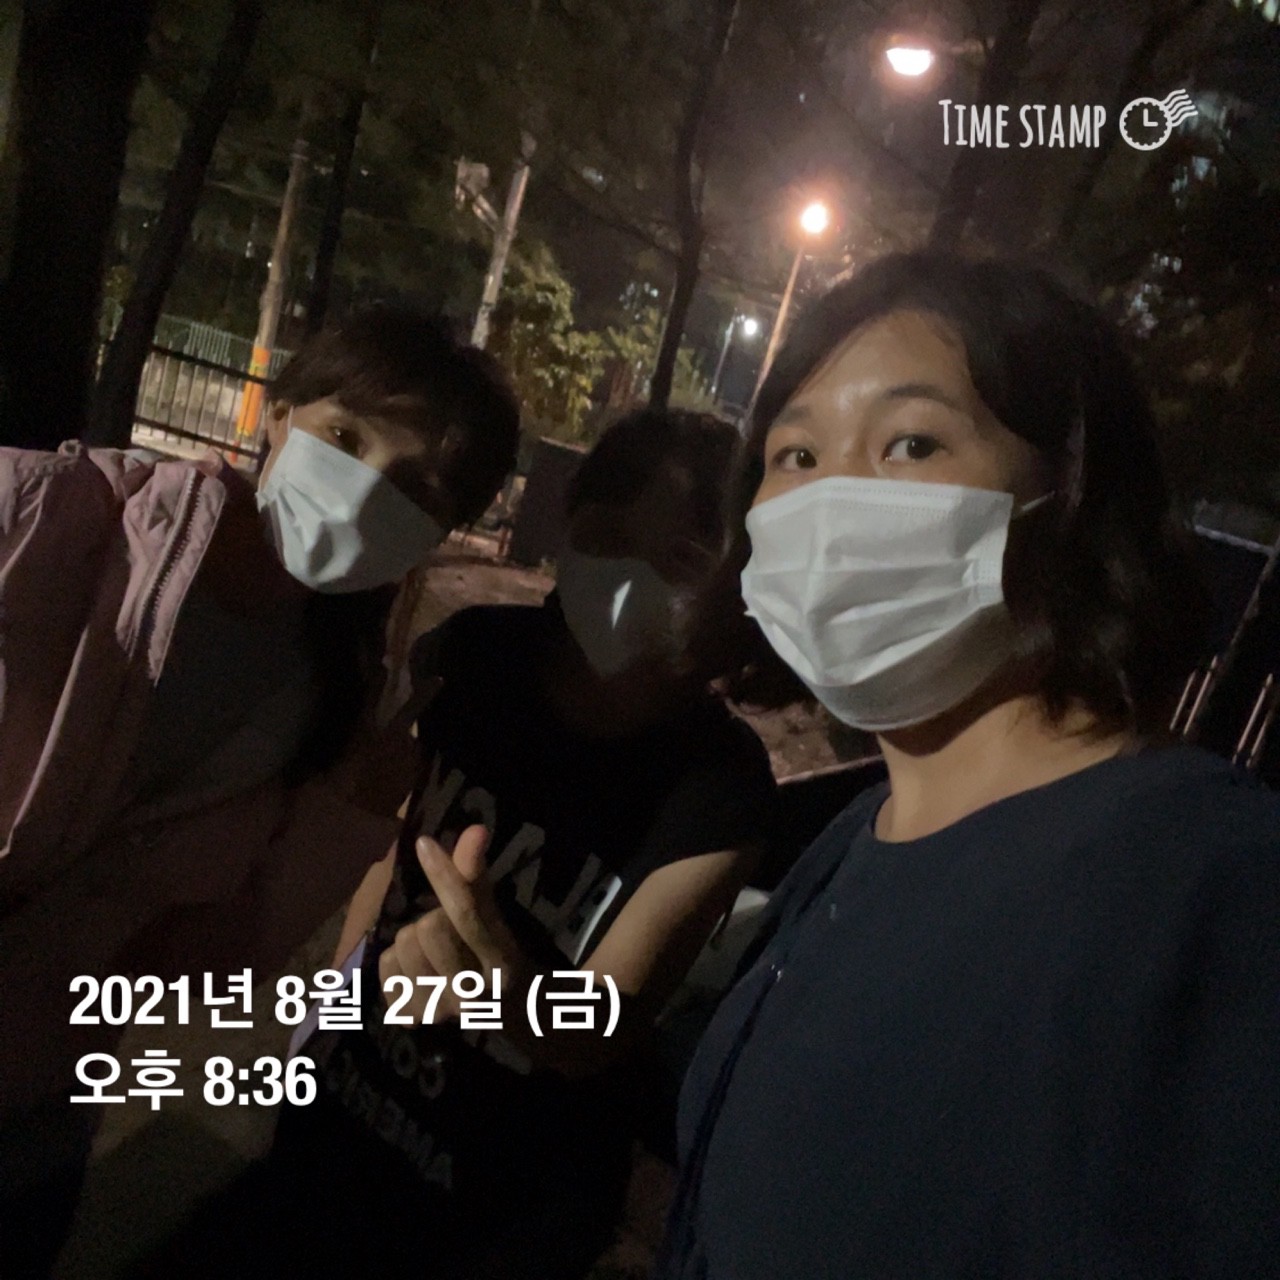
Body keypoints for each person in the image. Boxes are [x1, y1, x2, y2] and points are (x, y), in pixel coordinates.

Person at [657, 253, 1280, 1279]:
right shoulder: (861, 836)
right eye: (795, 454)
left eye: (911, 442)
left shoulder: (1208, 888)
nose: (830, 504)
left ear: (1070, 493)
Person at [140, 409, 778, 1280]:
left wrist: (503, 992)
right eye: (609, 536)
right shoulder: (475, 656)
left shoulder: (721, 787)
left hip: (501, 1202)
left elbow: (605, 1024)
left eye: (680, 560)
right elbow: (393, 852)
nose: (630, 575)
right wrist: (334, 1008)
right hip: (348, 1110)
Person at [0, 308, 520, 1277]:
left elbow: (213, 960)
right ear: (277, 414)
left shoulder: (333, 706)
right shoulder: (51, 512)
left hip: (37, 1110)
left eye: (413, 488)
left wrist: (346, 820)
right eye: (344, 437)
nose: (363, 490)